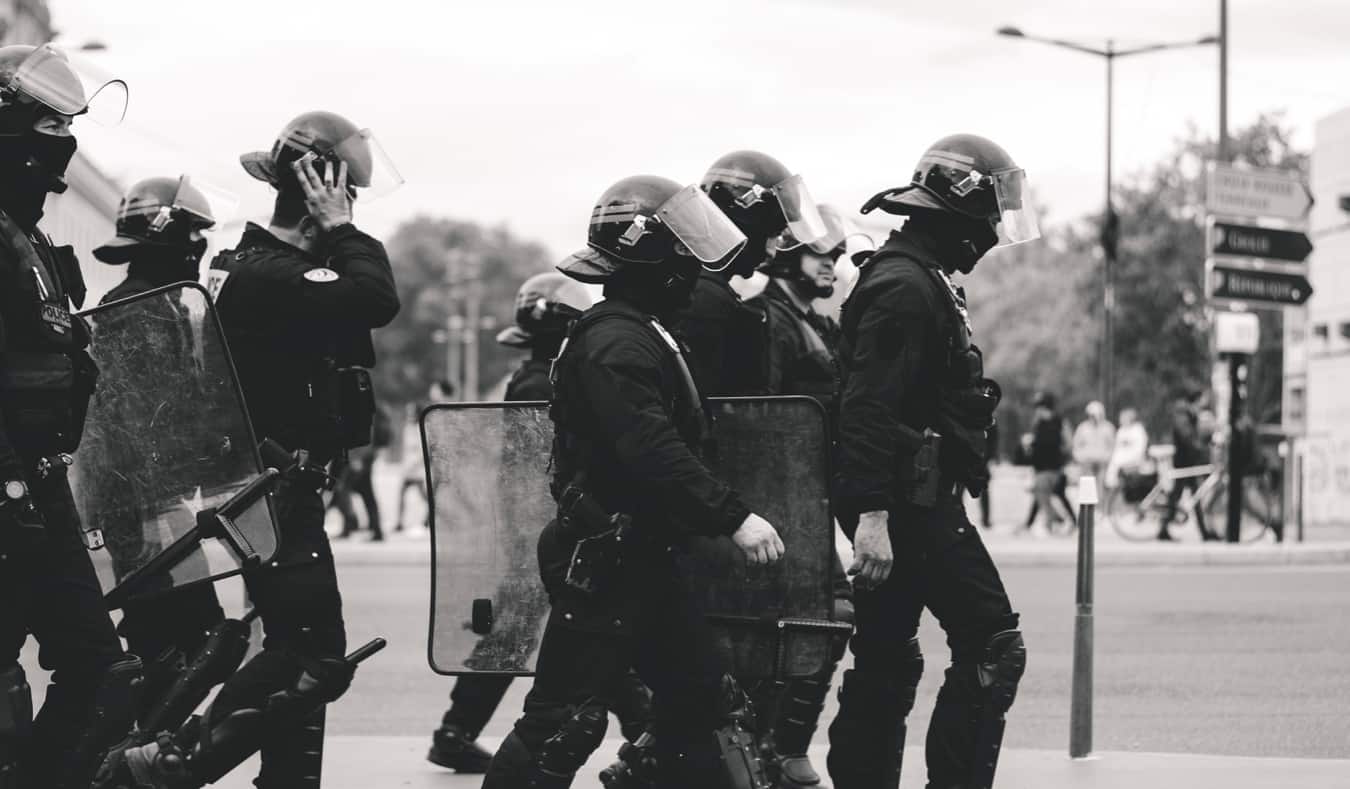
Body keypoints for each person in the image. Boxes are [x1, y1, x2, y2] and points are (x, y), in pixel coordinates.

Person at [101, 110, 403, 789]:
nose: (352, 206)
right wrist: (344, 231)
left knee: (294, 649)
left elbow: (351, 339)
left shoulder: (269, 267)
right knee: (314, 654)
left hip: (278, 484)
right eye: (346, 192)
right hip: (273, 488)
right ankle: (162, 767)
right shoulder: (269, 271)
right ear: (323, 187)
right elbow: (378, 299)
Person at [482, 174, 785, 788]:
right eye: (684, 246)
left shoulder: (638, 330)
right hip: (606, 562)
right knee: (562, 721)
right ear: (657, 256)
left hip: (642, 556)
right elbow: (651, 448)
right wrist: (733, 516)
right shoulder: (617, 341)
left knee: (701, 705)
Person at [831, 134, 1031, 789]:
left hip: (906, 500)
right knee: (993, 645)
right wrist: (873, 515)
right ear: (963, 211)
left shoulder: (914, 275)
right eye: (990, 215)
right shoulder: (905, 287)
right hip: (909, 506)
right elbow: (866, 406)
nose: (994, 232)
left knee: (886, 658)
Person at [0, 43, 144, 789]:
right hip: (9, 489)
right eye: (45, 128)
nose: (58, 151)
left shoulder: (30, 242)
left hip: (44, 486)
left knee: (102, 667)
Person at [426, 271, 596, 772]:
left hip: (532, 524)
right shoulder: (548, 379)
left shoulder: (533, 375)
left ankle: (455, 731)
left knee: (512, 632)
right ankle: (645, 733)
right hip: (546, 524)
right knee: (584, 626)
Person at [91, 175, 231, 721]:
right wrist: (146, 516)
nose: (201, 247)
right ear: (170, 236)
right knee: (178, 650)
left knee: (192, 644)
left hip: (162, 499)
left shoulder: (165, 304)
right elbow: (131, 422)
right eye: (195, 234)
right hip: (142, 505)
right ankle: (120, 756)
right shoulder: (134, 308)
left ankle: (136, 749)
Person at [743, 205, 854, 788]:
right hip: (778, 500)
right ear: (788, 256)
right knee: (818, 617)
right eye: (821, 256)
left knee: (822, 619)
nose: (833, 265)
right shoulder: (767, 319)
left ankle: (779, 746)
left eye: (836, 257)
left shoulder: (815, 321)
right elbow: (759, 412)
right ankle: (773, 746)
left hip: (807, 497)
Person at [673, 149, 827, 395]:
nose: (772, 251)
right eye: (772, 233)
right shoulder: (705, 298)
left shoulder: (703, 287)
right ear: (746, 224)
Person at [396, 378, 451, 533]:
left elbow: (434, 440)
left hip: (438, 460)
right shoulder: (433, 411)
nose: (431, 392)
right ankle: (428, 521)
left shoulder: (442, 411)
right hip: (432, 461)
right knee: (432, 493)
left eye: (434, 389)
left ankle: (436, 520)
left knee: (435, 494)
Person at [1161, 395, 1217, 542]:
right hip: (1184, 461)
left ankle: (1203, 532)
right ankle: (1164, 528)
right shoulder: (1182, 413)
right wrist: (1201, 448)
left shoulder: (1187, 413)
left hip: (1188, 461)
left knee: (1193, 496)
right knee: (1180, 496)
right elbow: (1186, 437)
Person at [1023, 392, 1074, 535]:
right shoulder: (1037, 423)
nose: (1037, 410)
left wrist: (1061, 456)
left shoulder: (1059, 422)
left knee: (1041, 494)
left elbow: (1068, 443)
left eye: (1040, 407)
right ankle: (1064, 521)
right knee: (1047, 494)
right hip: (1040, 466)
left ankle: (1052, 523)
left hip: (1052, 466)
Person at [1072, 400, 1115, 498]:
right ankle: (1087, 507)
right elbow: (1076, 445)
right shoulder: (1083, 428)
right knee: (1087, 485)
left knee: (1102, 484)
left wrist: (1108, 458)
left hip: (1103, 462)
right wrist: (1080, 458)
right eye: (1092, 415)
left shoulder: (1108, 428)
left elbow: (1113, 445)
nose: (1094, 418)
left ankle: (1100, 508)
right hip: (1087, 462)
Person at [1106, 407, 1149, 491]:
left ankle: (1112, 481)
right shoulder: (1121, 431)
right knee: (1115, 458)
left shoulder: (1138, 429)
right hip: (1121, 457)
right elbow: (1117, 448)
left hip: (1136, 458)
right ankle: (1111, 482)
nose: (1121, 420)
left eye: (1123, 418)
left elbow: (1140, 448)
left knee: (1116, 459)